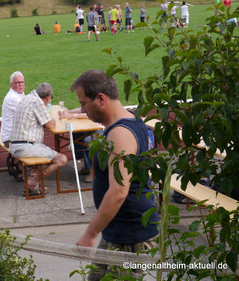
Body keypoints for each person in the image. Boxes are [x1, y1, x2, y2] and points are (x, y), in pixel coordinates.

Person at [73, 70, 159, 280]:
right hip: (117, 231)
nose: (82, 110)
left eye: (84, 103)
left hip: (130, 235)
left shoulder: (119, 133)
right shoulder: (131, 118)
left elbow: (119, 191)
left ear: (101, 98)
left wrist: (90, 234)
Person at [9, 83, 68, 196]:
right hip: (25, 147)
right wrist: (53, 120)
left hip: (15, 144)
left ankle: (33, 185)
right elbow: (50, 124)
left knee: (41, 149)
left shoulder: (27, 98)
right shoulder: (37, 103)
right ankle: (34, 181)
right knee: (62, 159)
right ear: (48, 97)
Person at [1, 71, 26, 181]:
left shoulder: (20, 94)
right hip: (10, 138)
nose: (20, 85)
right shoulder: (13, 98)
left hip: (17, 135)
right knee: (36, 144)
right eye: (17, 82)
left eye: (22, 82)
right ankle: (15, 162)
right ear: (11, 85)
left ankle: (17, 165)